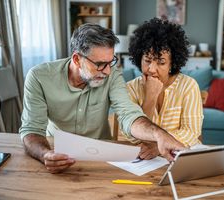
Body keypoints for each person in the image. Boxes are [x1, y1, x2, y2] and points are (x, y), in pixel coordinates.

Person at [19, 23, 184, 173]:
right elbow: (32, 130)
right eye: (99, 64)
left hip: (101, 156)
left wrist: (158, 134)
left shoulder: (112, 75)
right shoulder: (39, 77)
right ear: (77, 59)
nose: (107, 71)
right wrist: (45, 154)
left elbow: (129, 115)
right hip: (56, 151)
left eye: (110, 62)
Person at [126, 18, 203, 160]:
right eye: (147, 60)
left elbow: (191, 132)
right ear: (139, 58)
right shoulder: (131, 88)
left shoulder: (188, 86)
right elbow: (133, 137)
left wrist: (159, 146)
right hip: (145, 161)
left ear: (172, 64)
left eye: (161, 62)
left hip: (180, 158)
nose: (152, 69)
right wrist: (150, 97)